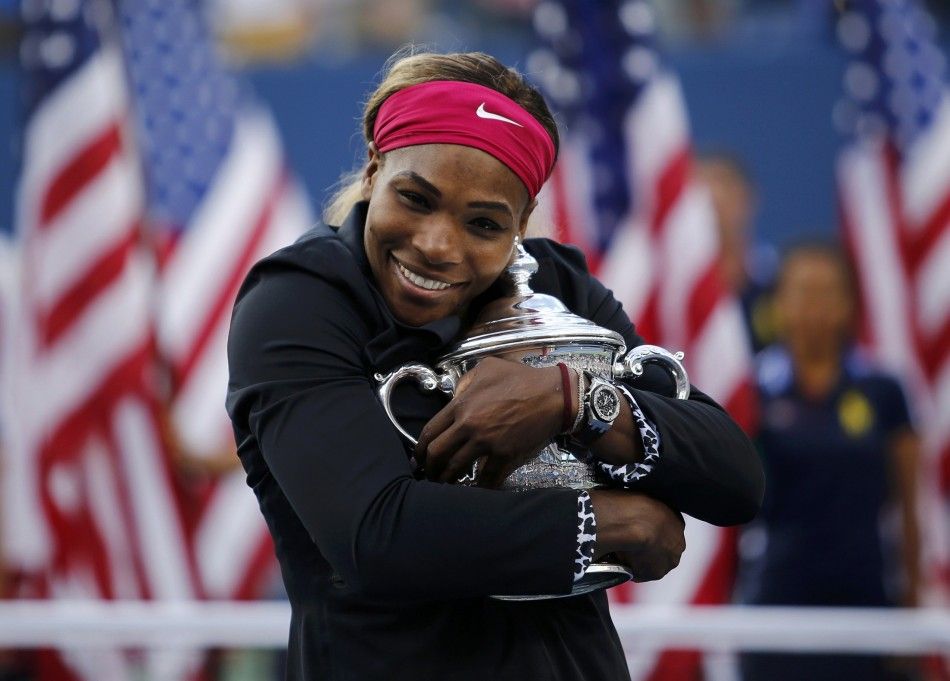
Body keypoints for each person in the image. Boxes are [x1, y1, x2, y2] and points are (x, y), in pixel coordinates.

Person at [226, 50, 764, 681]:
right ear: (375, 169)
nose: (437, 245)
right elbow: (377, 538)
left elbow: (736, 480)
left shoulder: (557, 285)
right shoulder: (299, 299)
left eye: (483, 223)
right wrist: (606, 523)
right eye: (416, 198)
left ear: (521, 223)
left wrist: (573, 399)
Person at [738, 242, 921, 681]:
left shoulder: (884, 392)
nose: (813, 307)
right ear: (778, 303)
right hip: (776, 602)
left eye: (827, 293)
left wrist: (913, 611)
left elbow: (910, 514)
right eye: (802, 292)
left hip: (865, 600)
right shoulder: (750, 394)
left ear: (849, 305)